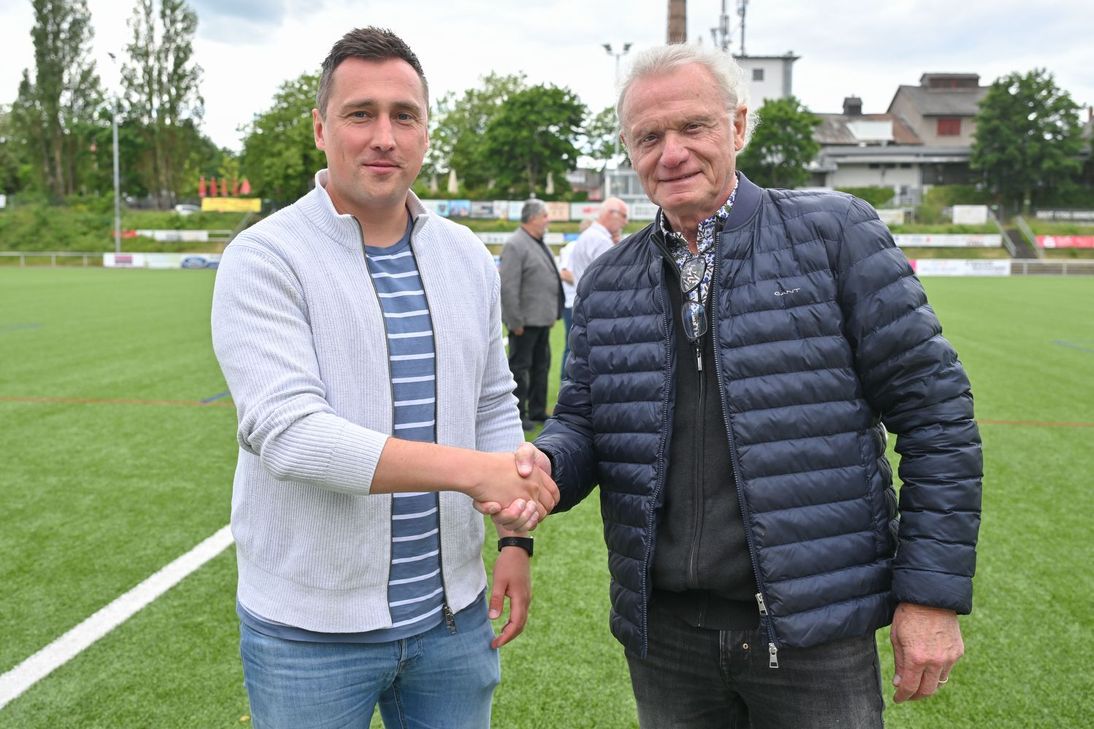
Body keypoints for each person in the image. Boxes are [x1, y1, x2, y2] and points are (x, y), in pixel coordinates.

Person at [518, 44, 982, 728]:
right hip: (667, 637)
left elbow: (936, 415)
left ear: (737, 126)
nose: (671, 152)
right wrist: (548, 464)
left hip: (812, 633)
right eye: (649, 137)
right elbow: (585, 422)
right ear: (630, 150)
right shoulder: (609, 281)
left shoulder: (833, 235)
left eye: (693, 127)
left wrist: (932, 595)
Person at [210, 27, 556, 729]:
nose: (384, 136)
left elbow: (493, 398)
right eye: (360, 113)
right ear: (320, 128)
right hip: (308, 633)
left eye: (404, 115)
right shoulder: (265, 257)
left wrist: (515, 535)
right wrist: (473, 473)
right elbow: (291, 435)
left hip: (452, 623)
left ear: (427, 131)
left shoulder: (464, 255)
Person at [499, 199, 563, 430]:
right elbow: (508, 286)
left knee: (541, 366)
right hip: (524, 322)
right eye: (545, 216)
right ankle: (518, 413)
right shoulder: (516, 244)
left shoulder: (535, 242)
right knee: (520, 368)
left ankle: (537, 411)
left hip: (540, 320)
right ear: (533, 218)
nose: (548, 220)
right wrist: (515, 320)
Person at [567, 197, 630, 290]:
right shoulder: (601, 240)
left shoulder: (588, 235)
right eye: (623, 216)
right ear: (610, 213)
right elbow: (611, 279)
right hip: (598, 300)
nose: (626, 222)